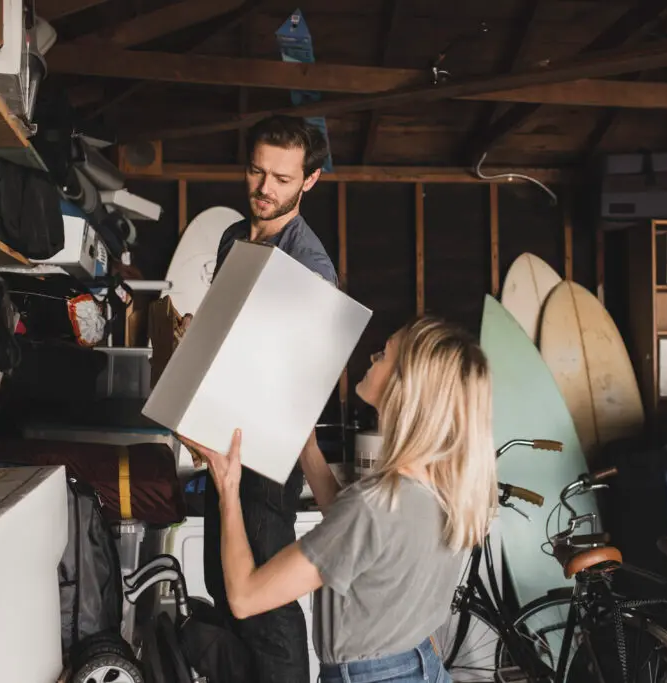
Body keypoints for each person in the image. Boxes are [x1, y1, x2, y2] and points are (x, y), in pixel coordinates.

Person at [180, 317, 498, 683]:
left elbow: (245, 596)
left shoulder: (374, 505)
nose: (372, 357)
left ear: (405, 387)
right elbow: (356, 543)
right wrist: (309, 450)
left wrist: (228, 487)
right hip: (421, 666)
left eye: (384, 355)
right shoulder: (445, 489)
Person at [202, 114, 338, 683]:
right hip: (221, 436)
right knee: (220, 583)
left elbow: (302, 381)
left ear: (309, 181)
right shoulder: (234, 236)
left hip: (265, 456)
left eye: (282, 179)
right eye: (257, 172)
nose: (265, 189)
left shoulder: (309, 269)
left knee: (264, 607)